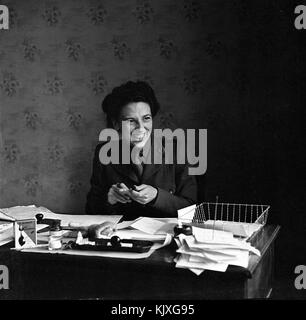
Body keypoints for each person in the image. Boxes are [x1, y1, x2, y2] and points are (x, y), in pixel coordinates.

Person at [85, 80, 197, 219]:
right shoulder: (105, 152)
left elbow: (192, 210)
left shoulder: (176, 150)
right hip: (122, 235)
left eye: (146, 118)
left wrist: (157, 196)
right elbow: (91, 209)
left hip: (166, 236)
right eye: (131, 121)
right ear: (116, 124)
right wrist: (109, 199)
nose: (141, 128)